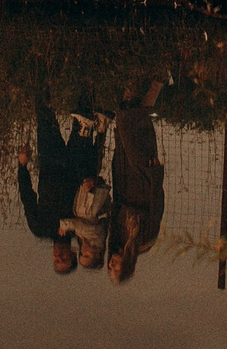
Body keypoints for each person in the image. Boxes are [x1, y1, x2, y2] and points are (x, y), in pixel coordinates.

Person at [17, 103, 106, 273]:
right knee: (83, 114)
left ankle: (43, 77)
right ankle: (87, 81)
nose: (58, 255)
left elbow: (27, 196)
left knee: (43, 113)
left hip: (49, 161)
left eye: (56, 259)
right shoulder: (80, 230)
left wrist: (22, 166)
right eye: (64, 258)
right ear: (73, 254)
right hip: (76, 163)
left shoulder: (39, 228)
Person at [106, 77, 167, 284]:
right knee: (128, 119)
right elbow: (156, 207)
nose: (111, 263)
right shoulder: (144, 242)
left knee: (127, 116)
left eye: (110, 267)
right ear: (127, 266)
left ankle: (140, 74)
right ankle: (155, 78)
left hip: (123, 175)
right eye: (116, 268)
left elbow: (115, 206)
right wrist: (155, 176)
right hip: (143, 178)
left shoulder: (115, 239)